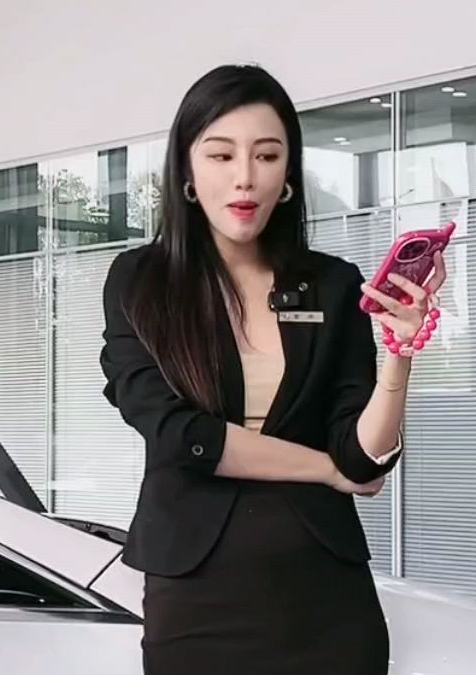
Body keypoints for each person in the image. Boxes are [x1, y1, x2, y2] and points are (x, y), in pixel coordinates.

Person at [99, 64, 447, 675]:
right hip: (197, 599)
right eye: (221, 155)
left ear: (287, 174)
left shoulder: (332, 283)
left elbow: (363, 458)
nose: (245, 177)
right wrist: (326, 470)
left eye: (266, 155)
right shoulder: (142, 282)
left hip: (327, 600)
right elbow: (183, 437)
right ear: (186, 171)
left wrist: (400, 352)